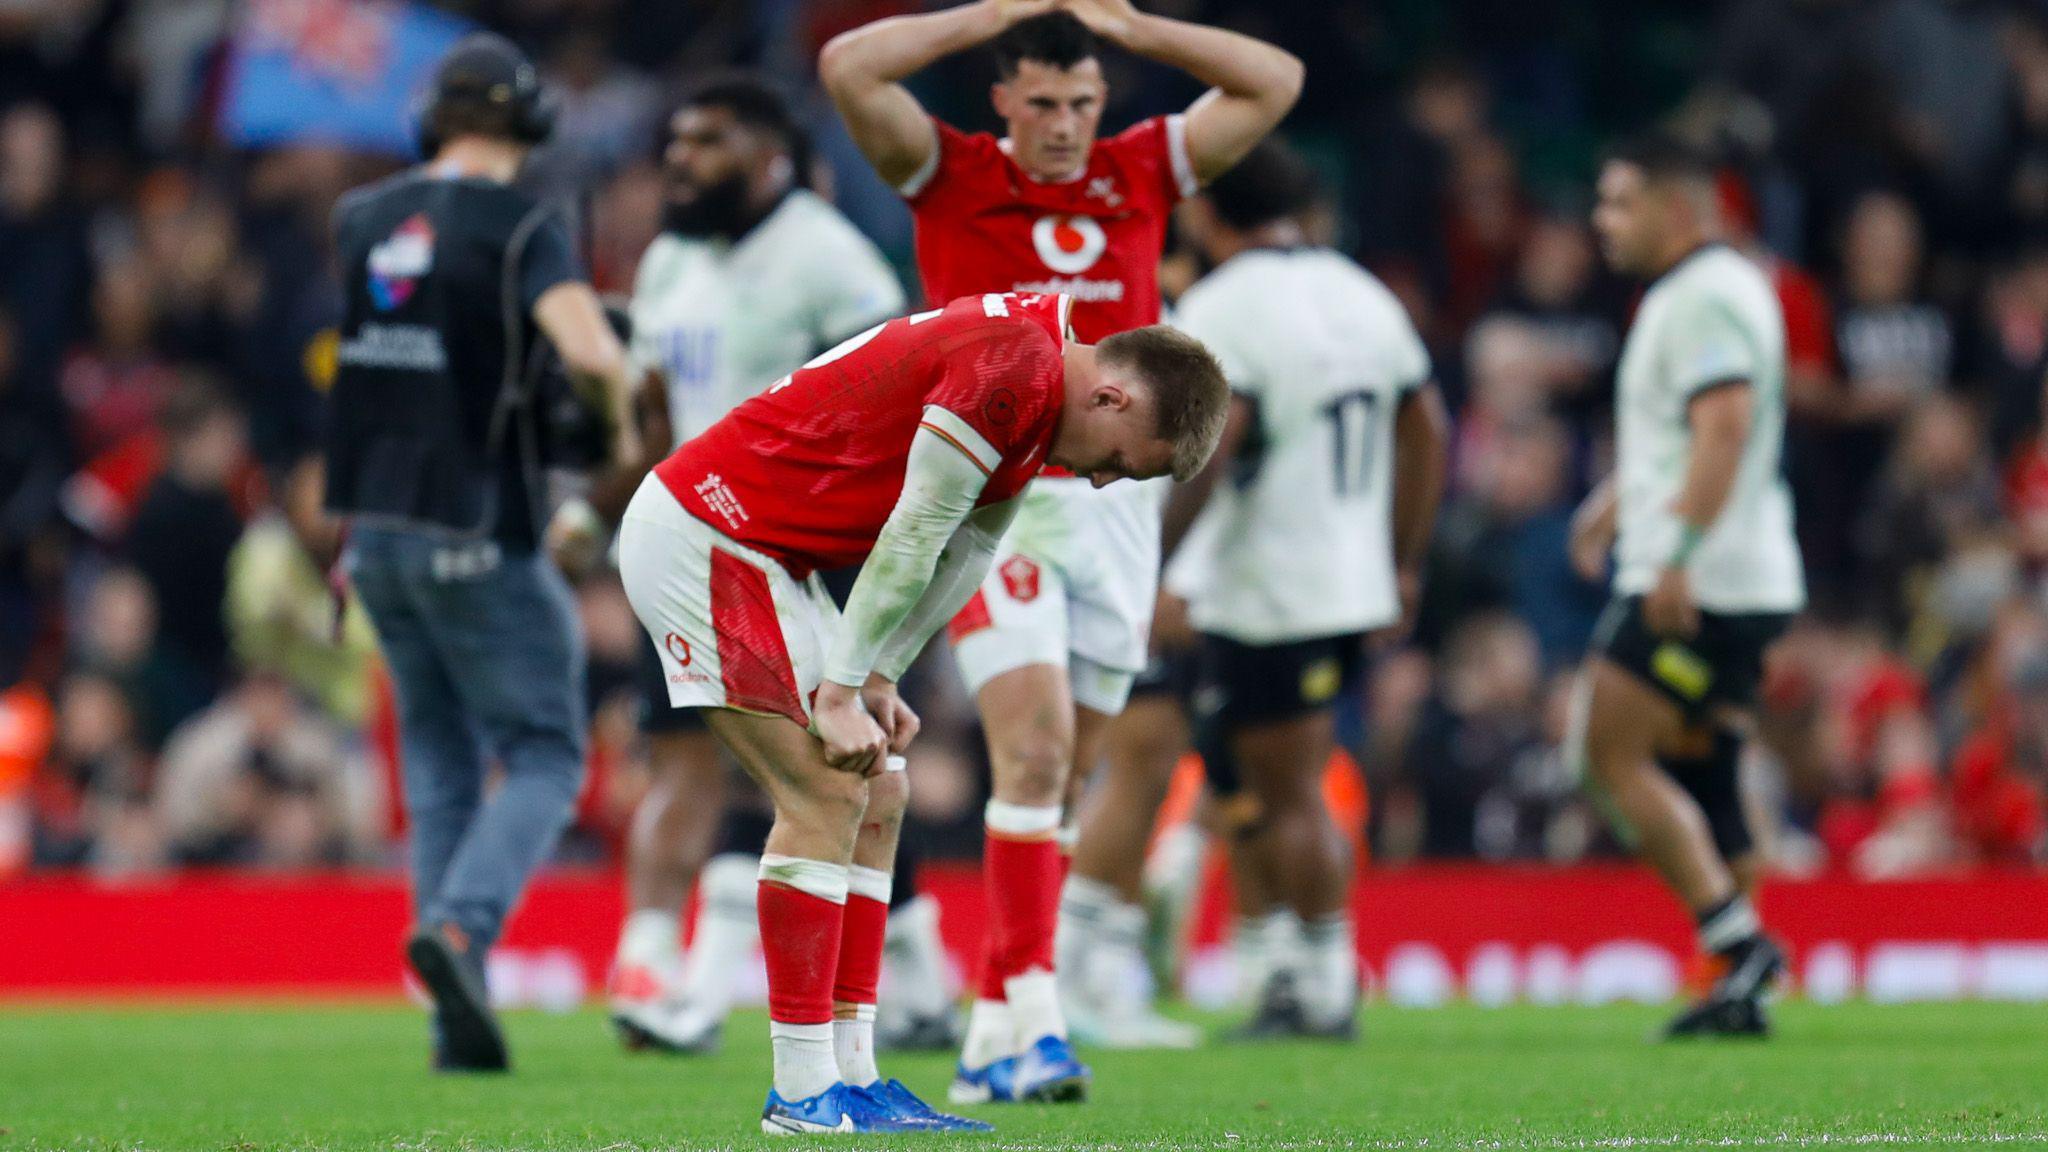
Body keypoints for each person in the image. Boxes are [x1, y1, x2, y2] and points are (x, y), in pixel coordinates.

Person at [820, 0, 1301, 1097]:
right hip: (1001, 488)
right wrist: (988, 13)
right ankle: (1033, 1018)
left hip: (1116, 502)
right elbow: (848, 64)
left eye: (1080, 103)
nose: (1062, 125)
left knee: (1063, 779)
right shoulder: (947, 171)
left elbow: (1272, 81)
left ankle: (996, 1023)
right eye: (1039, 102)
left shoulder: (1135, 170)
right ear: (1001, 100)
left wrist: (1131, 28)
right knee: (1031, 756)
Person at [615, 290, 1228, 1133]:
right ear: (1111, 398)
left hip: (763, 554)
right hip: (709, 536)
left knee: (882, 788)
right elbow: (912, 534)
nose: (1098, 479)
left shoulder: (1037, 391)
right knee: (825, 792)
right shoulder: (1014, 370)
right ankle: (801, 1092)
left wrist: (881, 674)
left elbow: (968, 552)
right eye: (1119, 461)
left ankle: (855, 1074)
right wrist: (839, 687)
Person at [323, 33, 638, 1073]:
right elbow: (591, 349)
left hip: (371, 534)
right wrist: (615, 423)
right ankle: (459, 931)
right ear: (530, 122)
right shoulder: (522, 226)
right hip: (479, 529)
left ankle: (446, 1015)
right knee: (547, 752)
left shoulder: (361, 219)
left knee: (442, 763)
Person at [604, 74, 915, 1056]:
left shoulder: (830, 260)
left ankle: (896, 969)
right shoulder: (666, 261)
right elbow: (646, 408)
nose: (680, 159)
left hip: (798, 552)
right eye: (676, 139)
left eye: (706, 140)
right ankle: (651, 968)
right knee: (688, 758)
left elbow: (885, 404)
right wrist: (608, 503)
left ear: (771, 154)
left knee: (844, 770)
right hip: (688, 542)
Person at [1157, 141, 1448, 1038]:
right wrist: (1401, 559)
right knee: (1246, 783)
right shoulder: (1364, 294)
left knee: (1286, 791)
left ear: (1208, 214)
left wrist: (1154, 561)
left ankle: (1324, 980)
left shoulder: (1222, 305)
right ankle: (1287, 974)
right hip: (1342, 576)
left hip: (1272, 583)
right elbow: (1426, 426)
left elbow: (1218, 435)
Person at [1567, 135, 1805, 1038]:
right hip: (1747, 571)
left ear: (1677, 208)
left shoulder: (1699, 296)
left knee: (1607, 752)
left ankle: (1736, 939)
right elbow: (1684, 433)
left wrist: (1677, 555)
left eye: (1620, 202)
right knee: (1708, 772)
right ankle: (1735, 992)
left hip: (1700, 580)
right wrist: (1613, 503)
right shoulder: (1728, 286)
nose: (1603, 221)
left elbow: (1724, 428)